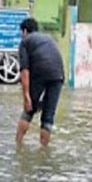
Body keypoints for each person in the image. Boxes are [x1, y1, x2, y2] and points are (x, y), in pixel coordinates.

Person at [16, 18, 65, 147]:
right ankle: (44, 150)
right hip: (59, 74)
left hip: (41, 71)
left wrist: (27, 97)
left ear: (25, 31)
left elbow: (24, 71)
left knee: (28, 110)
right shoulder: (48, 39)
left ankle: (18, 145)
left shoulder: (25, 42)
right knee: (48, 116)